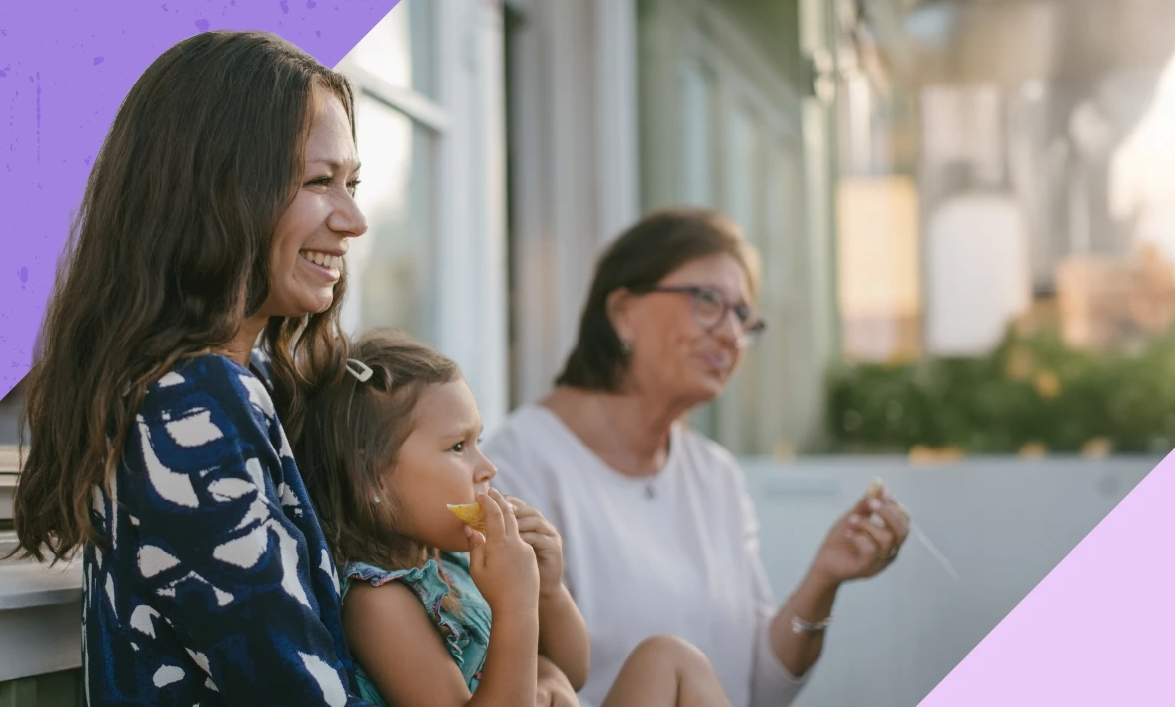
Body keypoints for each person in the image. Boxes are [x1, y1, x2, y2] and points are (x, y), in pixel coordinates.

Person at [9, 30, 373, 706]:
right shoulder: (190, 403)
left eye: (351, 182)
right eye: (319, 181)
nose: (353, 219)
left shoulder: (223, 385)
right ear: (218, 191)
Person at [484, 208, 912, 707]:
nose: (732, 335)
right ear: (623, 311)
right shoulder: (518, 462)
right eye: (708, 301)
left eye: (743, 316)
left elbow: (759, 689)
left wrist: (825, 578)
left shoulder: (716, 476)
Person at [296, 330, 735, 707]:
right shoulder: (378, 603)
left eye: (478, 441)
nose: (487, 467)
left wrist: (549, 592)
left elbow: (575, 669)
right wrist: (517, 603)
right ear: (372, 476)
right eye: (457, 447)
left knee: (673, 658)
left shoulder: (458, 563)